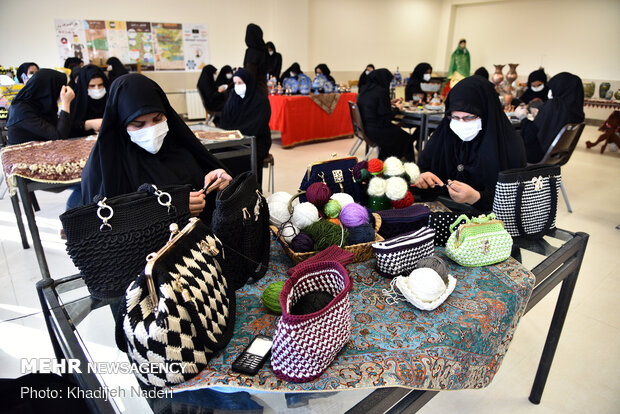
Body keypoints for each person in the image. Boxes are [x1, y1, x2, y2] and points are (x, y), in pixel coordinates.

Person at [80, 74, 232, 222]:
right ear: (120, 123)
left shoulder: (179, 149)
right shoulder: (103, 171)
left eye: (157, 119)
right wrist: (168, 209)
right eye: (138, 124)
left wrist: (217, 185)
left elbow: (204, 198)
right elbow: (101, 223)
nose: (151, 129)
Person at [414, 76, 526, 212]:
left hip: (486, 221)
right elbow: (423, 170)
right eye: (455, 117)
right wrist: (422, 178)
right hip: (441, 212)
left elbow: (514, 198)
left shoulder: (508, 145)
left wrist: (476, 197)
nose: (461, 124)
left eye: (469, 118)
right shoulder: (444, 135)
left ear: (486, 114)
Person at [518, 72, 584, 163]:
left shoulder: (555, 105)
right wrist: (542, 115)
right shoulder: (576, 111)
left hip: (536, 154)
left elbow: (531, 135)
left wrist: (522, 116)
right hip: (555, 156)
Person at [220, 68, 271, 186]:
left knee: (246, 155)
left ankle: (251, 191)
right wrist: (232, 135)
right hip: (234, 139)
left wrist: (237, 133)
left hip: (257, 140)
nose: (237, 86)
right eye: (235, 83)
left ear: (249, 82)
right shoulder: (233, 97)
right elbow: (225, 120)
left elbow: (258, 125)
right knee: (219, 153)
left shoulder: (261, 100)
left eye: (240, 83)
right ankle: (230, 191)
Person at [357, 68, 416, 161]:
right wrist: (398, 108)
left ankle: (385, 160)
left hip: (366, 129)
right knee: (407, 138)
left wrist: (389, 102)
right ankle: (406, 164)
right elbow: (387, 118)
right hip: (378, 130)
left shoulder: (365, 89)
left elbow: (374, 106)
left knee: (397, 136)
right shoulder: (381, 91)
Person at [6, 69, 75, 145]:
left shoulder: (41, 105)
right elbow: (60, 138)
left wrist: (86, 124)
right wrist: (66, 103)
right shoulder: (20, 110)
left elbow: (61, 128)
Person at [69, 64, 109, 137]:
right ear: (84, 86)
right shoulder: (76, 101)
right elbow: (69, 128)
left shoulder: (110, 99)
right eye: (92, 86)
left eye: (100, 85)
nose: (97, 89)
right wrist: (88, 124)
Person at [243, 23, 268, 94]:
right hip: (263, 89)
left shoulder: (251, 52)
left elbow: (250, 74)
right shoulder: (263, 51)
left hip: (253, 91)